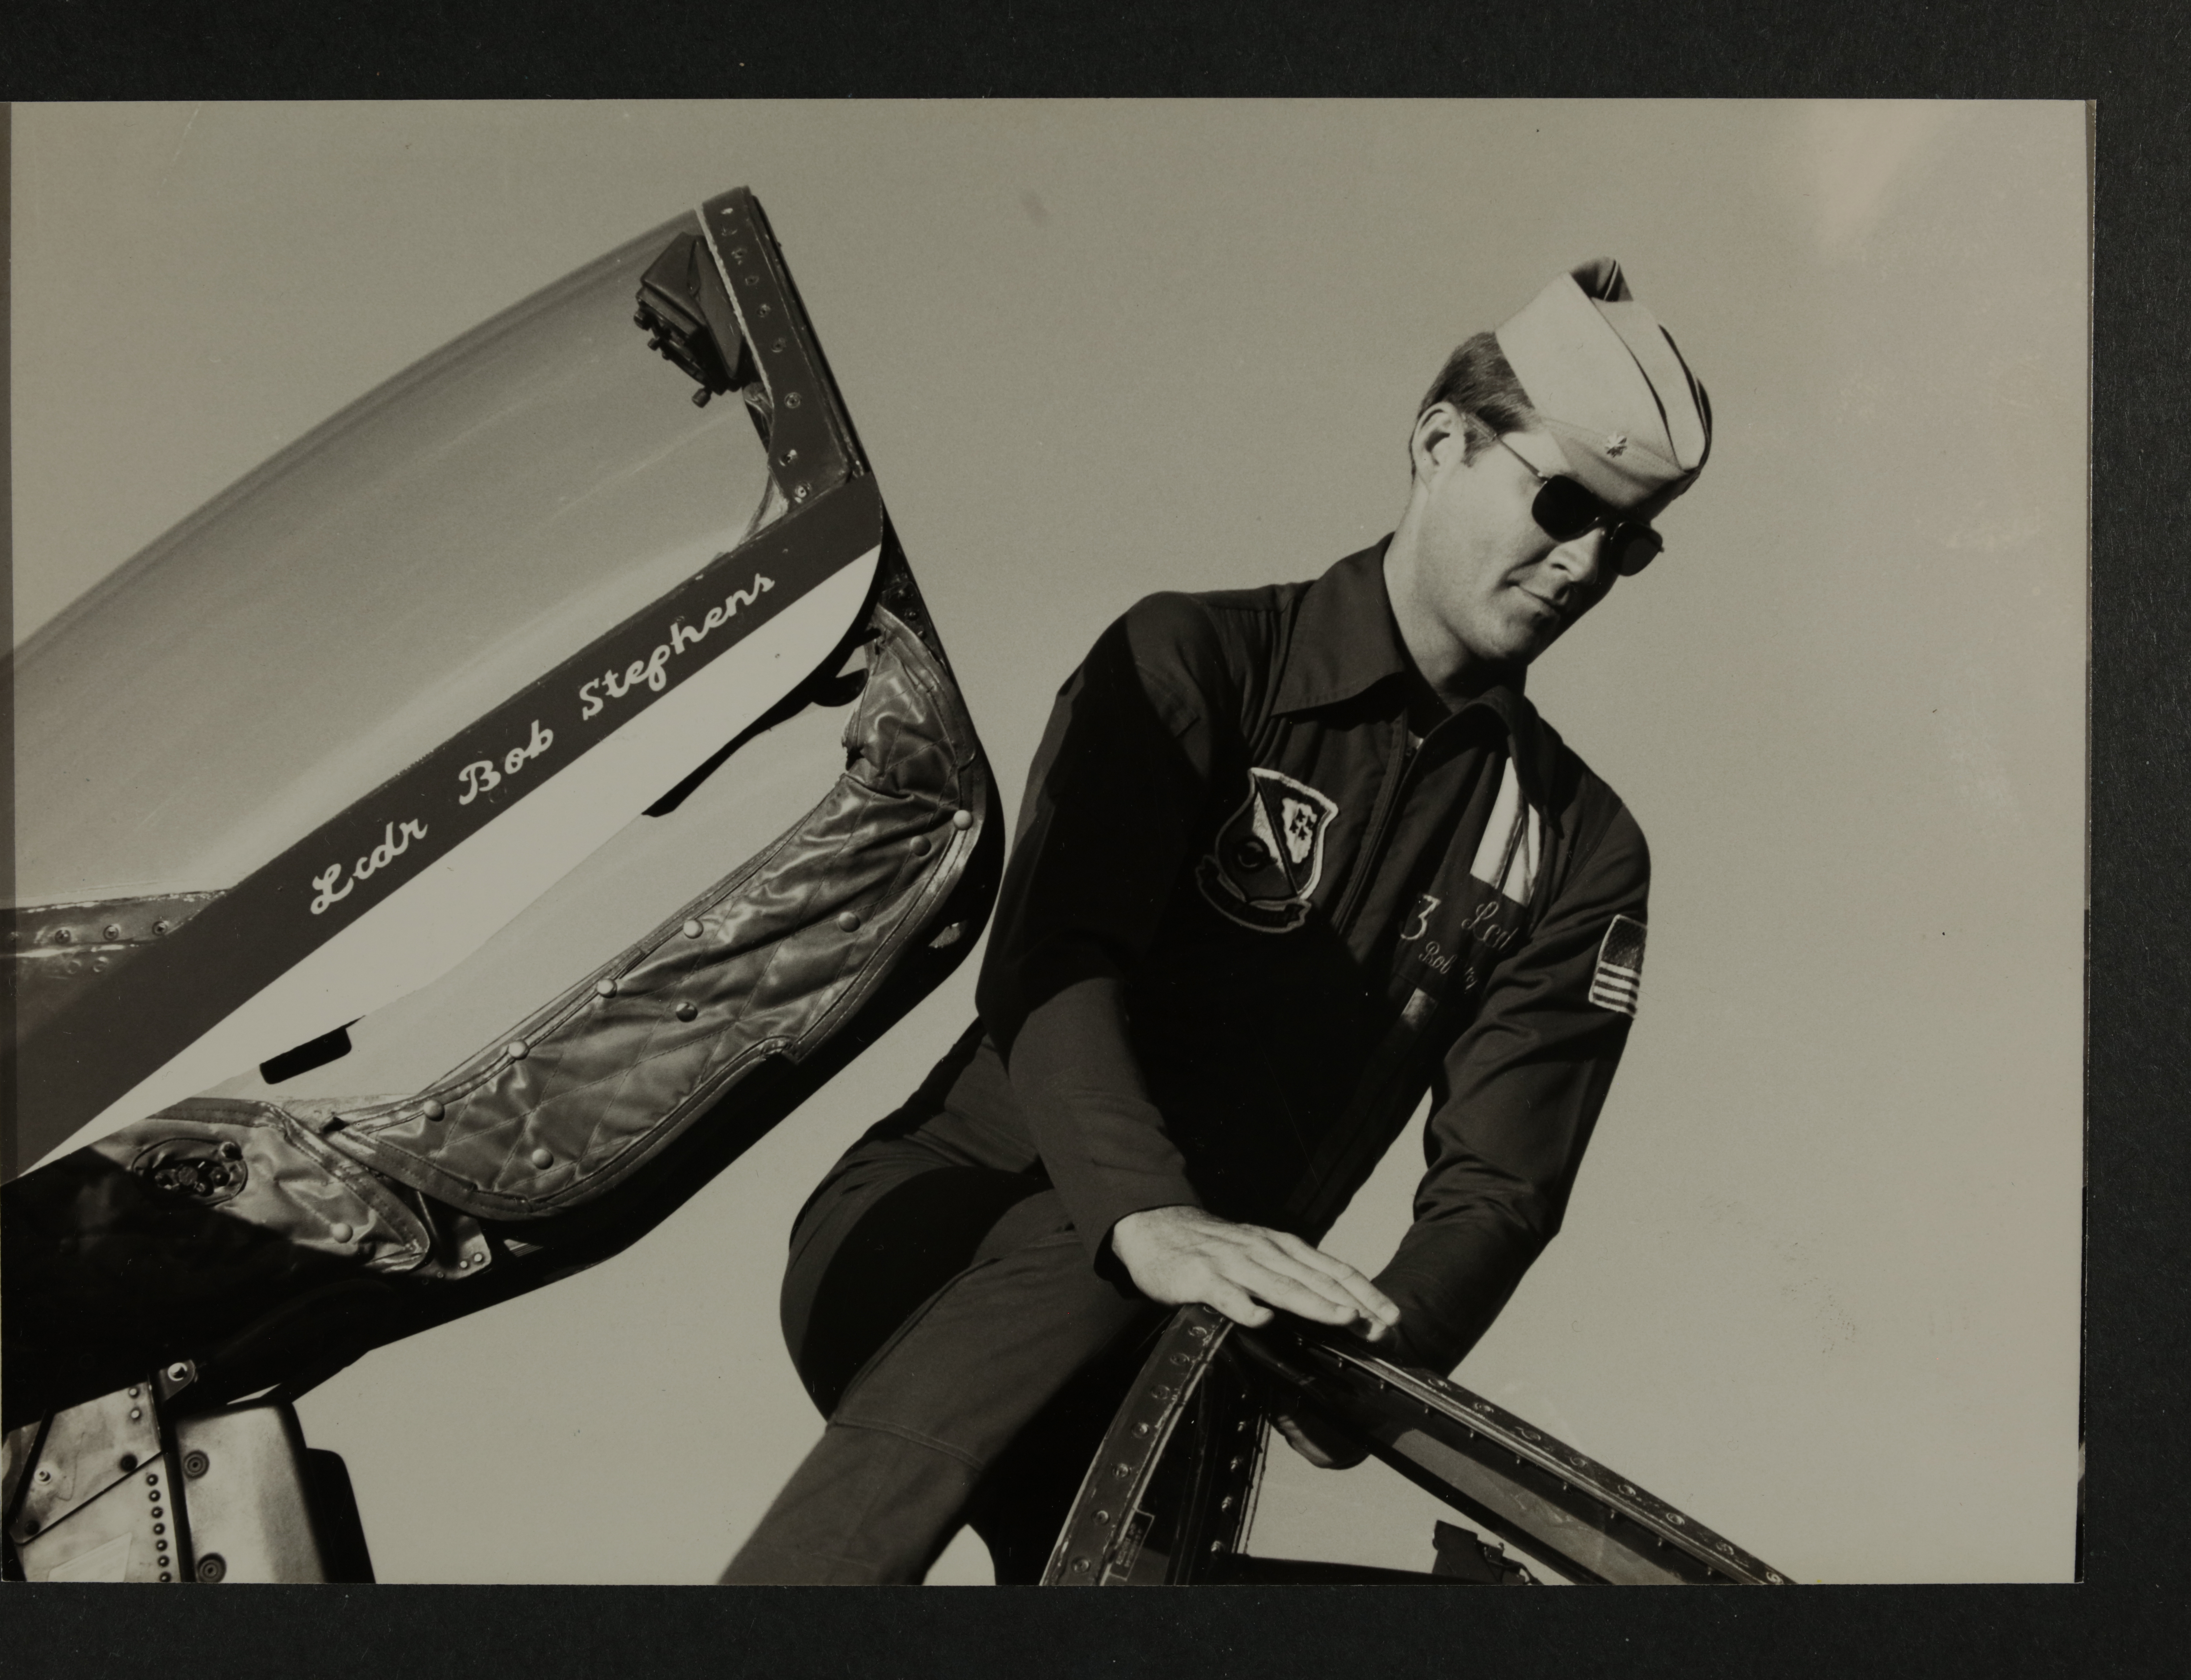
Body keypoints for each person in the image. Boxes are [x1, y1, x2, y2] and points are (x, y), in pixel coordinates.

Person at [720, 258, 1711, 1585]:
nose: (1584, 561)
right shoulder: (1196, 661)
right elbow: (1052, 961)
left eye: (1626, 540)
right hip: (935, 1229)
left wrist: (1365, 1360)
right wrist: (1146, 1218)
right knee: (1095, 1272)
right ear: (1439, 444)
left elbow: (1502, 1183)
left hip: (1192, 1336)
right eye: (1563, 503)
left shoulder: (1577, 847)